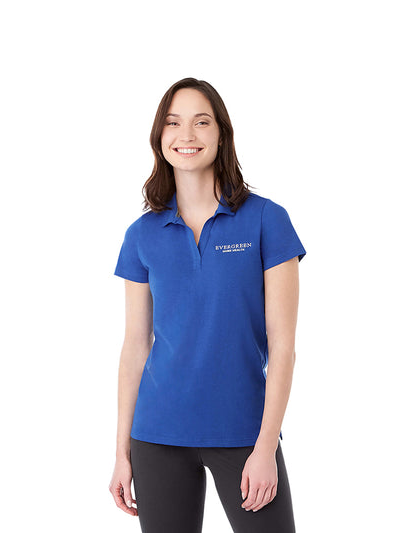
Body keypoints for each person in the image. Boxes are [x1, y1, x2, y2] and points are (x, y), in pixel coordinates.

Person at [109, 77, 306, 533]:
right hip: (157, 435)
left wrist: (265, 448)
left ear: (221, 134)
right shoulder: (141, 235)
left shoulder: (267, 220)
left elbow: (283, 347)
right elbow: (135, 347)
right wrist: (121, 452)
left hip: (243, 432)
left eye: (201, 122)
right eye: (173, 123)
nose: (187, 135)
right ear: (160, 137)